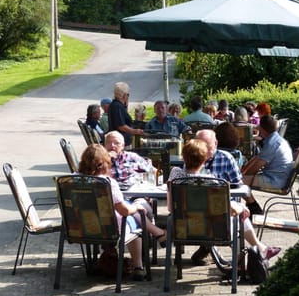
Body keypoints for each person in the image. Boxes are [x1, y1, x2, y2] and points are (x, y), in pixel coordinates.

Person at [167, 139, 281, 265]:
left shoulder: (175, 174)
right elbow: (225, 207)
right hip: (209, 230)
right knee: (238, 217)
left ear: (183, 157)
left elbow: (170, 208)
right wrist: (242, 208)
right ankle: (244, 260)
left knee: (236, 216)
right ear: (205, 160)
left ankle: (256, 252)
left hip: (181, 229)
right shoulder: (212, 182)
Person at [77, 144, 151, 280]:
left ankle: (106, 258)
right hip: (109, 228)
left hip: (81, 227)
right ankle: (138, 267)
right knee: (134, 220)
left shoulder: (72, 180)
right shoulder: (108, 183)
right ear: (105, 162)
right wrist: (136, 207)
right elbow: (124, 211)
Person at [242, 115, 294, 194]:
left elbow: (256, 167)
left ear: (261, 129)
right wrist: (243, 171)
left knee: (237, 182)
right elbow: (257, 158)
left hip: (275, 181)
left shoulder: (271, 144)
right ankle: (251, 203)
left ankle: (252, 204)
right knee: (240, 179)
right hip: (280, 177)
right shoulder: (276, 139)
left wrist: (243, 175)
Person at [108, 82, 143, 148]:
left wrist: (126, 105)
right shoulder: (117, 106)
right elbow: (121, 125)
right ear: (124, 95)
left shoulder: (117, 105)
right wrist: (134, 131)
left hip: (120, 139)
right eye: (128, 95)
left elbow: (123, 117)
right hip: (121, 141)